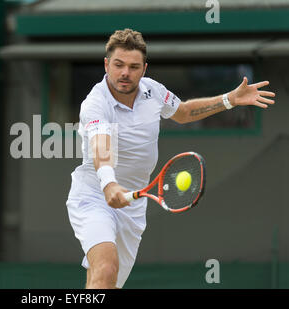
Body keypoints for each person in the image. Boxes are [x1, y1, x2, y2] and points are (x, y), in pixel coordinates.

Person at [65, 28, 275, 289]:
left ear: (144, 68)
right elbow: (101, 145)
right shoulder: (95, 103)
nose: (125, 73)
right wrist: (108, 183)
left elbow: (184, 112)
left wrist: (229, 99)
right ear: (107, 64)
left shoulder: (153, 91)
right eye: (118, 65)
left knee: (105, 282)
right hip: (94, 195)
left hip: (132, 205)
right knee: (106, 268)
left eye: (133, 66)